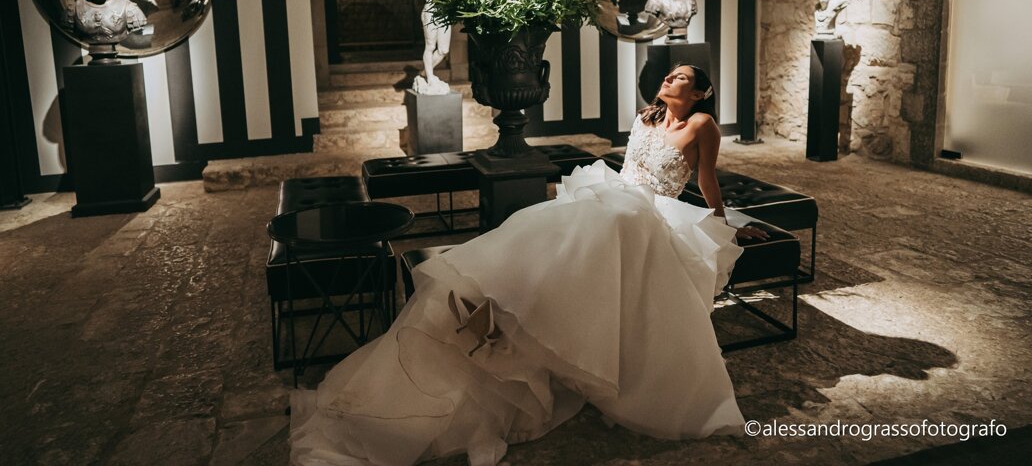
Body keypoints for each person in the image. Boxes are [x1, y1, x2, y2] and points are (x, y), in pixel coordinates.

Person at [290, 64, 766, 466]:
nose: (669, 78)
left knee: (615, 220)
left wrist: (726, 225)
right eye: (669, 73)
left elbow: (706, 182)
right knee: (552, 225)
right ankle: (500, 303)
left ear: (701, 93)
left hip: (649, 213)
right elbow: (626, 173)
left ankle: (516, 320)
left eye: (681, 77)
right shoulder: (646, 118)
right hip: (614, 199)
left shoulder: (703, 126)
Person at [414, 0, 451, 94]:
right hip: (430, 11)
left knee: (443, 50)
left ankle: (423, 73)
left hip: (444, 13)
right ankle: (429, 77)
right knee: (430, 46)